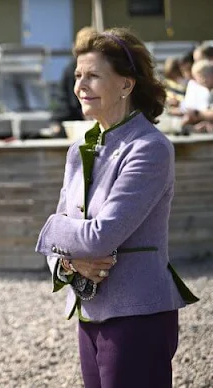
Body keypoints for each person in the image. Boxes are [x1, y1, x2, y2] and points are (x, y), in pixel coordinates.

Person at [35, 27, 198, 388]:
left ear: (126, 85)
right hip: (88, 313)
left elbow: (100, 235)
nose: (80, 85)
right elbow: (73, 241)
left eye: (93, 75)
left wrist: (49, 231)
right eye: (78, 75)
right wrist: (67, 262)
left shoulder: (149, 148)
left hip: (138, 314)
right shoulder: (79, 149)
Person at [46, 27, 96, 138]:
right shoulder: (71, 69)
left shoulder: (72, 68)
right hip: (71, 120)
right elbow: (71, 104)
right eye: (78, 76)